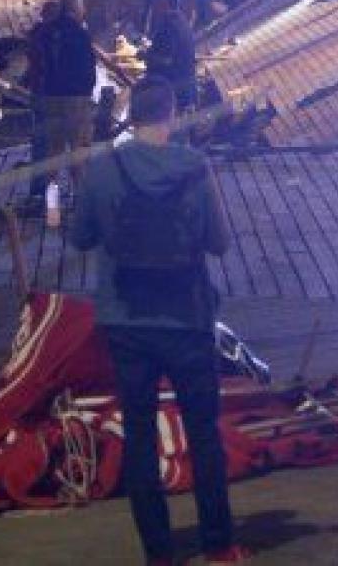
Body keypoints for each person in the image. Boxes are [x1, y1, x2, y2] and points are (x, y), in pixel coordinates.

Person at [71, 76, 249, 566]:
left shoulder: (103, 169)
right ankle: (219, 546)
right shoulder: (194, 166)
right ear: (171, 115)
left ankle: (159, 553)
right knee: (203, 433)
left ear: (131, 116)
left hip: (126, 320)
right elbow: (219, 243)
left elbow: (80, 237)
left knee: (140, 436)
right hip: (187, 317)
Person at [33, 0, 96, 190]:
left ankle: (49, 196)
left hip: (51, 96)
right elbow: (88, 66)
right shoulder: (80, 32)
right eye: (81, 7)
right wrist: (88, 92)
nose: (84, 11)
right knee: (78, 149)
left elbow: (37, 62)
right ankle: (80, 196)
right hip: (76, 98)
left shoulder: (46, 31)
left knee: (54, 149)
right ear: (74, 8)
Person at [23, 0, 62, 205]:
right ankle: (43, 192)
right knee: (46, 144)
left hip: (41, 95)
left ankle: (41, 190)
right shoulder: (50, 37)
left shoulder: (38, 34)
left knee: (42, 144)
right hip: (49, 96)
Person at [143, 0, 198, 112]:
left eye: (157, 2)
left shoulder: (169, 25)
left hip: (172, 87)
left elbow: (166, 60)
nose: (154, 6)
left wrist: (146, 55)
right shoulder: (182, 21)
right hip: (185, 87)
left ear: (165, 4)